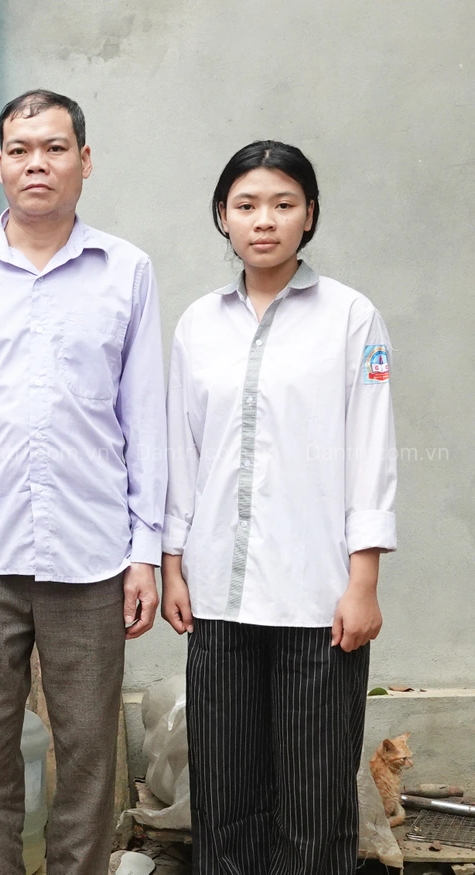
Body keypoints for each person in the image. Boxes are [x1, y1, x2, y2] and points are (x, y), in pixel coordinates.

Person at [0, 89, 167, 875]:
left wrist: (145, 551)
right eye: (20, 149)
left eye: (55, 148)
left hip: (93, 551)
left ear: (84, 161)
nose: (37, 164)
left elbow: (145, 418)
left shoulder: (126, 270)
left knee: (88, 746)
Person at [161, 141, 397, 875]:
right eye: (247, 205)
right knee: (225, 793)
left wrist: (363, 581)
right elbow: (182, 451)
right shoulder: (199, 324)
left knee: (314, 795)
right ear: (223, 217)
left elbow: (372, 451)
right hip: (218, 592)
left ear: (310, 215)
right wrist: (173, 564)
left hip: (317, 594)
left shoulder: (351, 317)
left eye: (283, 203)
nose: (264, 220)